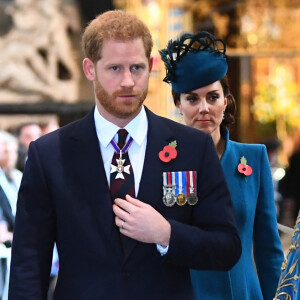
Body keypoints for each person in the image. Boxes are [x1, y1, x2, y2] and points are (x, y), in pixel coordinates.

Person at [8, 11, 241, 300]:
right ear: (90, 69)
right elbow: (28, 262)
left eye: (137, 68)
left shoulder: (193, 147)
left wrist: (167, 233)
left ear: (151, 66)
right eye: (115, 68)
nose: (128, 81)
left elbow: (226, 247)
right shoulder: (48, 154)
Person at [160, 31, 284, 300]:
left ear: (225, 101)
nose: (203, 108)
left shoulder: (254, 158)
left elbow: (268, 250)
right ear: (178, 104)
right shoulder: (162, 162)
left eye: (212, 97)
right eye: (192, 99)